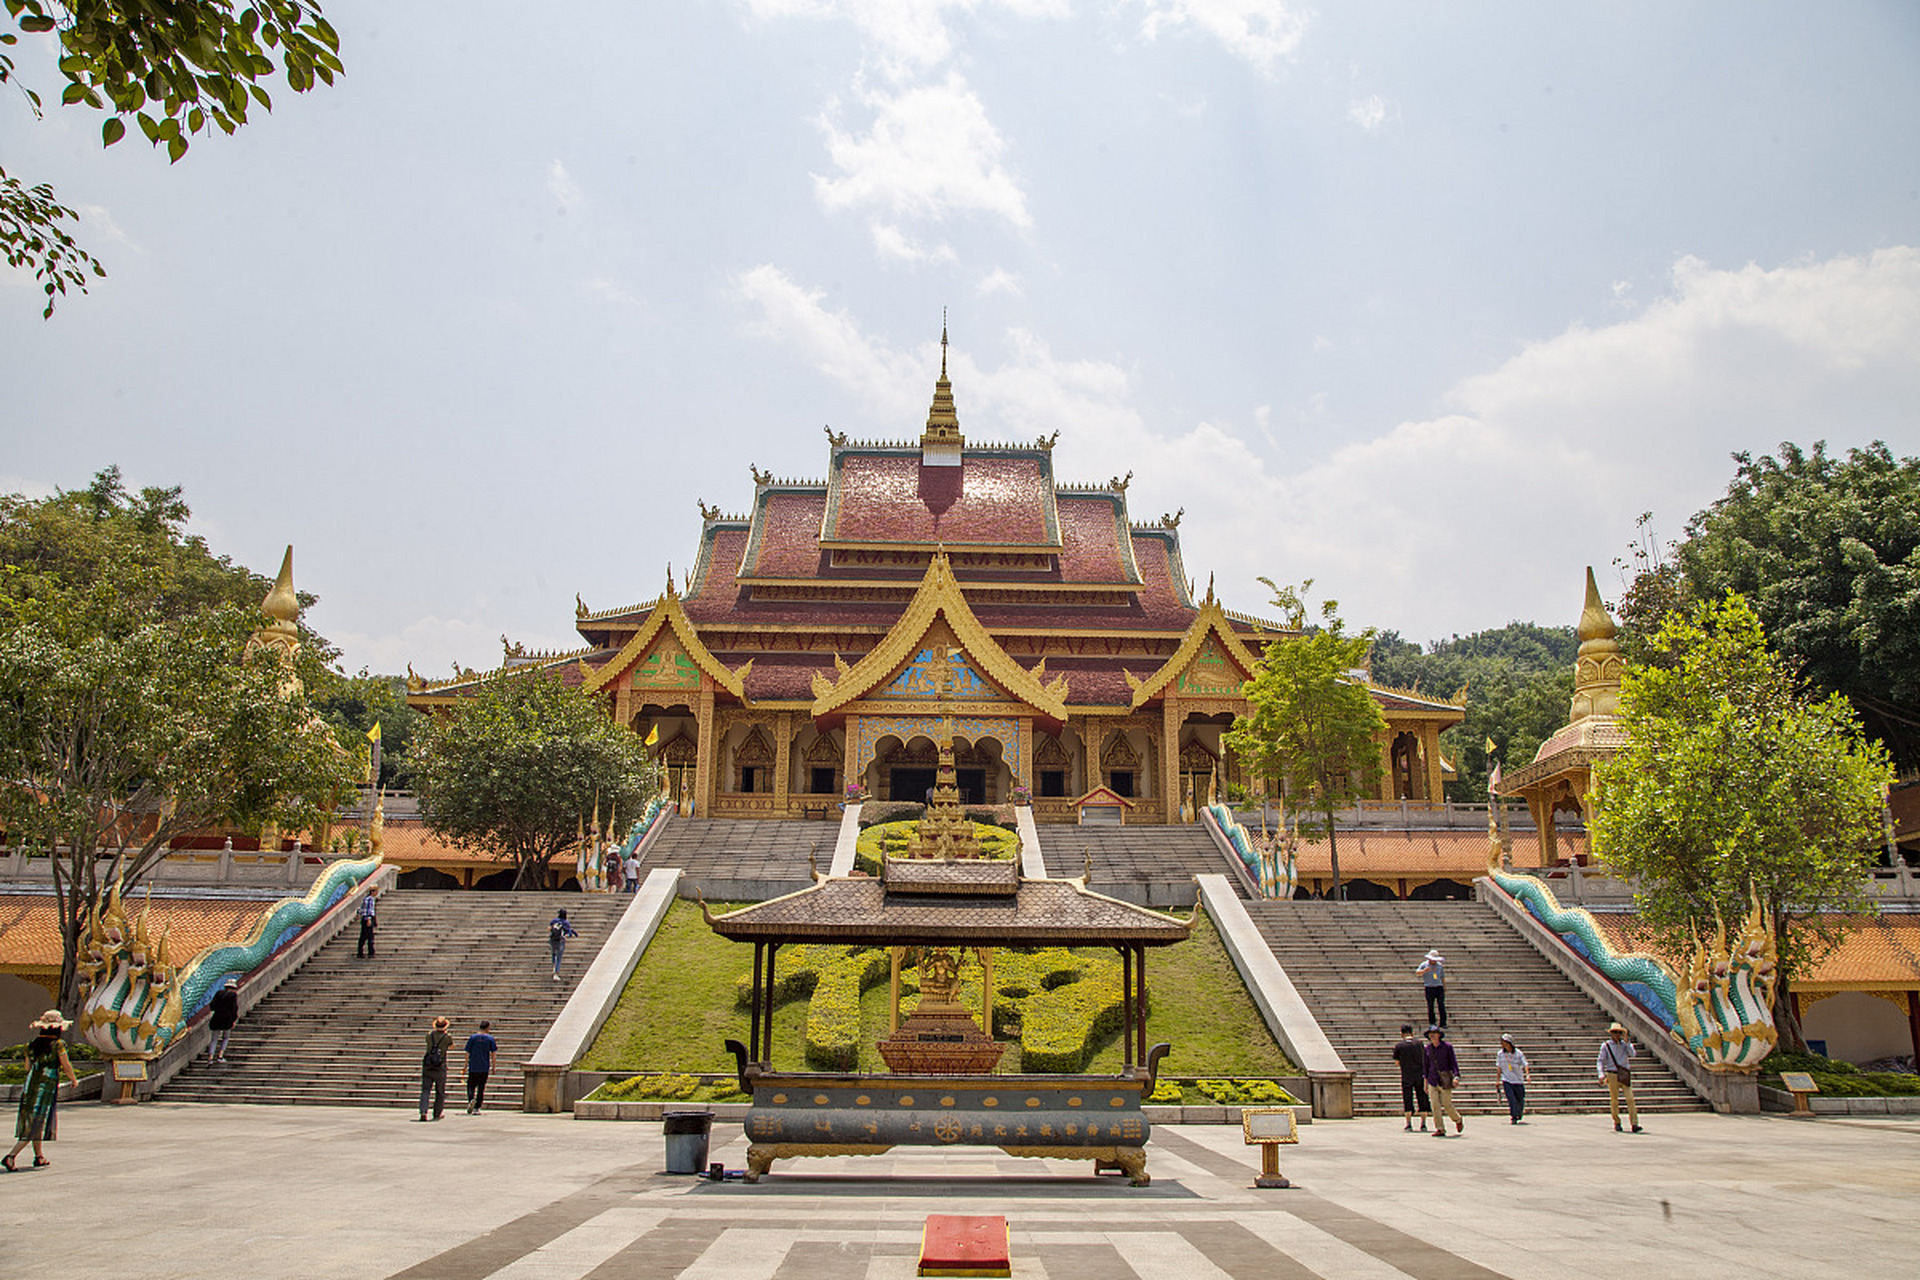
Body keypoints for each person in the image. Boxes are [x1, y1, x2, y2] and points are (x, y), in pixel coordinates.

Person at [5, 1010, 80, 1172]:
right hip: (46, 1086)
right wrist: (73, 1079)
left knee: (36, 1120)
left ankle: (39, 1156)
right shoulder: (58, 1045)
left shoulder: (32, 1045)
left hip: (31, 1085)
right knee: (36, 1122)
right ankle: (11, 1156)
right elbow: (66, 1065)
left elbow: (27, 1067)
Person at [1598, 1022, 1641, 1133]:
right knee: (1614, 1100)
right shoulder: (1606, 1046)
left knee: (1630, 1099)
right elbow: (1601, 1061)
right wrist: (1601, 1074)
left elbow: (1633, 1054)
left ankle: (1634, 1123)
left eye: (1619, 1033)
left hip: (1624, 1074)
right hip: (1612, 1074)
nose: (1618, 1035)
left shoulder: (1624, 1045)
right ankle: (1617, 1121)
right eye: (1615, 1032)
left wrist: (1627, 1042)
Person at [1423, 1025, 1464, 1137]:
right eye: (1430, 1033)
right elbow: (1426, 1066)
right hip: (1432, 1079)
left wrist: (1456, 1076)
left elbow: (1453, 1063)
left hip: (1445, 1079)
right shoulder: (1427, 1049)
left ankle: (1457, 1119)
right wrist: (1425, 1082)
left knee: (1446, 1104)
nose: (1432, 1035)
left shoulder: (1447, 1047)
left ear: (1439, 1035)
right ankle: (1440, 1128)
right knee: (1435, 1105)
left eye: (1434, 1033)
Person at [1392, 1023, 1429, 1132]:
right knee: (1421, 1097)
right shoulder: (1419, 1044)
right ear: (1412, 1033)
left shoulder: (1399, 1046)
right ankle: (1423, 1124)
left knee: (1408, 1098)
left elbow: (1397, 1062)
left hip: (1407, 1075)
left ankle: (1408, 1123)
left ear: (1402, 1034)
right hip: (1419, 1075)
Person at [419, 1016, 453, 1121]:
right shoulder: (447, 1037)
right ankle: (437, 1113)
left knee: (425, 1090)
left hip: (428, 1065)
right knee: (440, 1091)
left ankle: (423, 1111)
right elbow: (451, 1046)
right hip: (440, 1065)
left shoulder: (429, 1035)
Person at [463, 1021, 498, 1114]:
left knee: (471, 1085)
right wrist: (494, 1067)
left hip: (473, 1065)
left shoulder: (473, 1038)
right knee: (481, 1087)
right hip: (484, 1066)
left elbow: (467, 1052)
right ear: (488, 1028)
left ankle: (471, 1099)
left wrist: (465, 1065)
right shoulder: (490, 1038)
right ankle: (477, 1107)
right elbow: (493, 1054)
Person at [1495, 1033, 1531, 1123]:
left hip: (1518, 1080)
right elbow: (1499, 1067)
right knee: (1511, 1099)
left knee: (1520, 1099)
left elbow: (1525, 1064)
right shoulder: (1500, 1054)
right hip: (1507, 1079)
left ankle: (1518, 1113)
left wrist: (1527, 1075)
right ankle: (1513, 1116)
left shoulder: (1518, 1053)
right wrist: (1497, 1080)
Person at [207, 978, 240, 1063]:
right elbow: (234, 1009)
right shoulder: (233, 996)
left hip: (216, 1018)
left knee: (214, 1039)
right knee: (225, 1037)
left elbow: (212, 1006)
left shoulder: (218, 994)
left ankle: (210, 1057)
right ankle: (220, 1056)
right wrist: (234, 1020)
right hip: (227, 1019)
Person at [1416, 949, 1447, 1028]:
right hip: (1429, 987)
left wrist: (1444, 986)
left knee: (1441, 1005)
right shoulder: (1424, 964)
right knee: (1430, 1005)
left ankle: (1443, 1022)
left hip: (1438, 987)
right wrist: (1424, 971)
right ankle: (1432, 1022)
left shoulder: (1439, 966)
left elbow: (1442, 976)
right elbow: (1417, 973)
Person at [549, 908, 578, 980]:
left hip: (552, 940)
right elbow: (568, 932)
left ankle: (553, 966)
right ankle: (556, 972)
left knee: (553, 954)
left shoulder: (554, 921)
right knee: (559, 957)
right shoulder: (565, 923)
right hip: (560, 940)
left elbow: (549, 928)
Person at [357, 891, 378, 958]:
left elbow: (361, 909)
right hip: (367, 919)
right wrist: (369, 919)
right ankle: (369, 952)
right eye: (375, 891)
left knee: (365, 936)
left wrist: (358, 914)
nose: (376, 893)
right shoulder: (370, 899)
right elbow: (368, 910)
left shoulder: (367, 899)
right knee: (368, 936)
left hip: (366, 919)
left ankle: (362, 952)